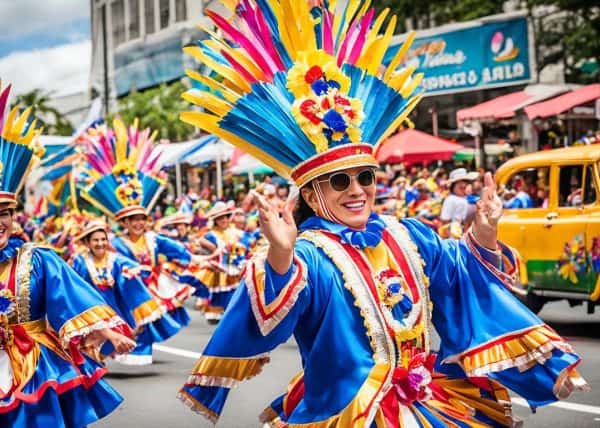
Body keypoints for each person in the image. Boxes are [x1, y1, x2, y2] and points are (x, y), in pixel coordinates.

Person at [177, 2, 588, 426]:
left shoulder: (408, 235)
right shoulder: (312, 256)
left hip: (426, 401)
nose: (356, 190)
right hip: (350, 411)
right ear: (313, 197)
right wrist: (281, 253)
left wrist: (483, 234)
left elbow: (460, 276)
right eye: (339, 181)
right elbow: (278, 302)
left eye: (365, 176)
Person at [0, 82, 136, 426]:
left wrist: (109, 334)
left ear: (14, 216)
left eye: (4, 213)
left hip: (32, 363)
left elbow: (69, 297)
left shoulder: (36, 259)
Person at [79, 119, 213, 363]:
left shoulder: (153, 239)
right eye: (133, 220)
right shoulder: (116, 244)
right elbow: (107, 265)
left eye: (141, 219)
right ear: (125, 224)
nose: (138, 223)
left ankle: (131, 351)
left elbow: (177, 251)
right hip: (124, 287)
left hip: (148, 284)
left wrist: (202, 260)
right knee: (127, 318)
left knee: (145, 321)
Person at [71, 219, 178, 365]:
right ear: (87, 243)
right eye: (95, 240)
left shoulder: (115, 260)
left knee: (111, 337)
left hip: (112, 309)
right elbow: (72, 282)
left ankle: (92, 364)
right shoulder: (80, 261)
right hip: (89, 307)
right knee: (89, 341)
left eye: (103, 239)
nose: (100, 243)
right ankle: (89, 365)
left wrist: (134, 271)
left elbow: (138, 269)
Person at [195, 201, 248, 323]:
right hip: (220, 271)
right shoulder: (211, 234)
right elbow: (199, 243)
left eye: (225, 217)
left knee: (235, 296)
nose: (223, 220)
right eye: (220, 218)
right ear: (216, 220)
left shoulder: (236, 232)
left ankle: (233, 318)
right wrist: (212, 247)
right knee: (221, 297)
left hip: (236, 269)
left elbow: (247, 244)